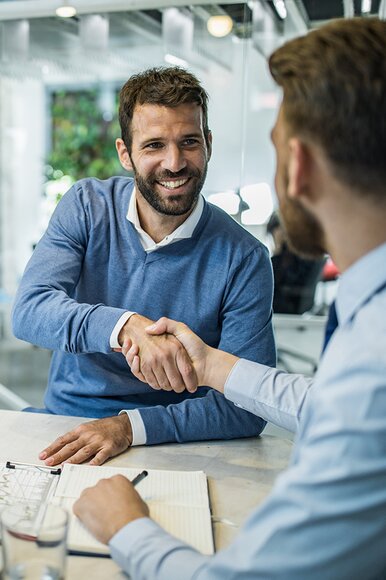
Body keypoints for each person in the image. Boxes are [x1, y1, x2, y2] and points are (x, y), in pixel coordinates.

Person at [73, 18, 386, 578]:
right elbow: (329, 405)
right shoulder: (369, 325)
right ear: (126, 153)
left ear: (300, 166)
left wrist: (126, 528)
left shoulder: (371, 360)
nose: (174, 162)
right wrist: (212, 364)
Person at [12, 67, 275, 466]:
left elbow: (248, 406)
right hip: (65, 424)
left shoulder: (245, 258)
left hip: (173, 437)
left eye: (189, 141)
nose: (174, 163)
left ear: (208, 143)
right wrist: (126, 327)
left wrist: (129, 427)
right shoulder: (87, 206)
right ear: (125, 152)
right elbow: (30, 311)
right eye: (154, 145)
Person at [267, 210, 325, 314]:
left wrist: (278, 252)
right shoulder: (285, 258)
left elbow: (274, 285)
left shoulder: (302, 260)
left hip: (288, 310)